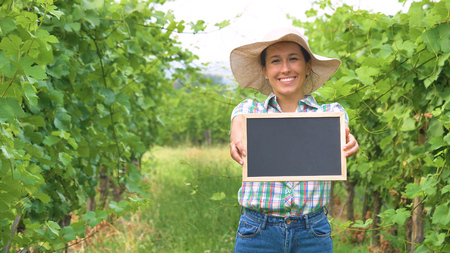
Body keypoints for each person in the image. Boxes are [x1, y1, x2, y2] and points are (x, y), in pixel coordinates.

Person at [229, 27, 359, 252]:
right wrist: (237, 135)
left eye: (293, 59)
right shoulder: (250, 111)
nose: (285, 68)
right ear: (264, 70)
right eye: (276, 61)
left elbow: (342, 129)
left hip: (313, 233)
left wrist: (348, 140)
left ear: (308, 66)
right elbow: (238, 121)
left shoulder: (330, 113)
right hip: (257, 232)